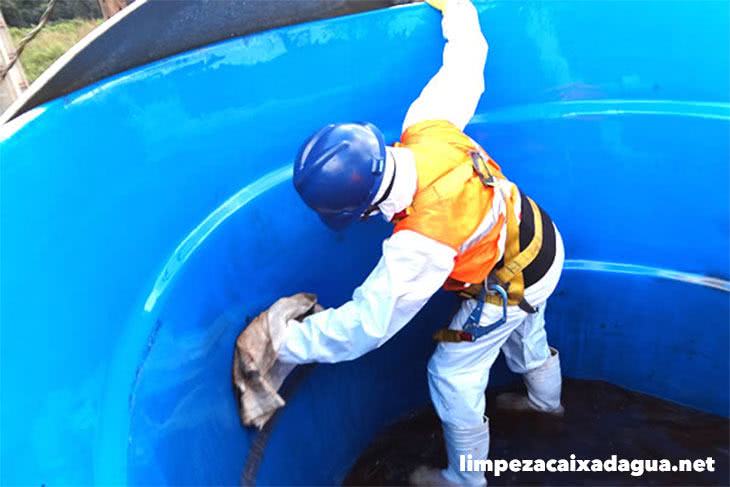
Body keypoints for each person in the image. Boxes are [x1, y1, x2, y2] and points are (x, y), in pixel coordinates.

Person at [277, 0, 565, 485]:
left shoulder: (422, 242)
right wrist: (456, 5)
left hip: (512, 279)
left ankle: (464, 480)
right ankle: (547, 406)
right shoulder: (426, 126)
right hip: (542, 238)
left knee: (452, 375)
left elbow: (366, 327)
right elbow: (468, 57)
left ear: (361, 211)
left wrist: (285, 342)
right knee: (526, 330)